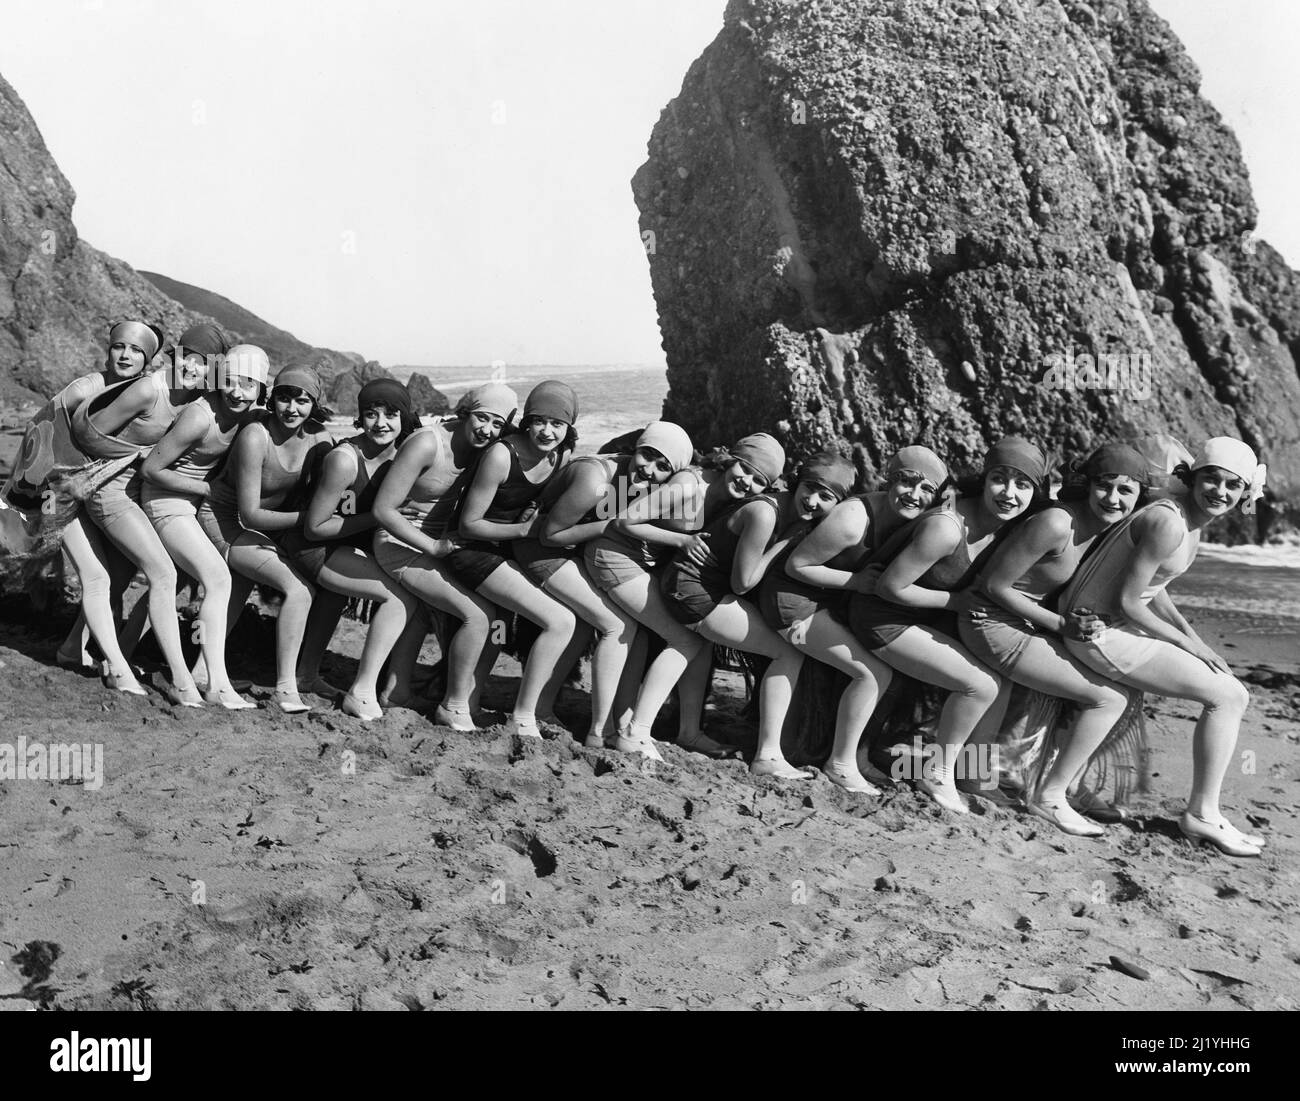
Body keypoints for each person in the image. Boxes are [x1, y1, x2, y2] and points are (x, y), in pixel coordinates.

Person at [1060, 437, 1268, 857]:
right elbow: (1129, 601)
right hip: (1096, 632)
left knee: (1228, 691)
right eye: (1211, 479)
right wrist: (1185, 645)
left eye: (1232, 486)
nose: (1220, 492)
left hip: (1117, 626)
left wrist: (1195, 639)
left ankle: (1203, 812)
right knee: (1230, 696)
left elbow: (1156, 588)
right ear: (1193, 478)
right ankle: (1203, 815)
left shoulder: (1186, 520)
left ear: (1244, 493)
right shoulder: (1169, 521)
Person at [848, 437, 1048, 814]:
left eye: (1022, 484)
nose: (1009, 493)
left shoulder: (1010, 528)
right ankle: (938, 773)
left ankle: (974, 777)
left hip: (925, 621)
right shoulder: (947, 527)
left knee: (1000, 678)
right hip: (883, 618)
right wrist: (955, 602)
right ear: (984, 479)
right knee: (979, 686)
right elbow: (890, 587)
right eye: (1000, 479)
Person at [961, 443, 1150, 836]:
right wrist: (1062, 625)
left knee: (1125, 687)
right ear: (1087, 484)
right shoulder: (1057, 523)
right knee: (1106, 698)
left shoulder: (1107, 529)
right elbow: (994, 586)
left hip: (1029, 625)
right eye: (1104, 487)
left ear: (1138, 496)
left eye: (1125, 491)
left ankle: (1065, 783)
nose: (1113, 499)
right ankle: (1050, 796)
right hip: (991, 622)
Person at [765, 446, 948, 793]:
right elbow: (796, 566)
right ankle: (841, 764)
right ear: (887, 480)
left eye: (926, 490)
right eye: (906, 481)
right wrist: (856, 582)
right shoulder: (853, 520)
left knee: (885, 663)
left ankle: (858, 755)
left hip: (825, 602)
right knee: (873, 672)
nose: (914, 494)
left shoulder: (910, 520)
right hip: (792, 603)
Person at [1, 321, 162, 690]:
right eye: (119, 346)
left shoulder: (135, 392)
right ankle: (119, 669)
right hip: (54, 490)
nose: (126, 355)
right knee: (97, 577)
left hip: (85, 492)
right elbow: (39, 428)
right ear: (108, 350)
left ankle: (74, 648)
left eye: (136, 350)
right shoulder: (87, 387)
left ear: (148, 359)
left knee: (115, 576)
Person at [517, 424, 690, 747]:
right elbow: (549, 536)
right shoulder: (597, 478)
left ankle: (544, 708)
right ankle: (590, 729)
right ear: (635, 448)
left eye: (663, 467)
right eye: (647, 456)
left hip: (573, 552)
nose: (649, 469)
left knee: (596, 625)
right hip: (540, 550)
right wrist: (613, 525)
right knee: (615, 625)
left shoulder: (637, 481)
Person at [73, 323, 216, 704]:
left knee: (120, 575)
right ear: (174, 355)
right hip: (109, 491)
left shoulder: (198, 399)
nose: (191, 367)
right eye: (186, 357)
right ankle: (177, 680)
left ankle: (74, 648)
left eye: (203, 363)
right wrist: (136, 457)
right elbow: (88, 436)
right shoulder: (148, 389)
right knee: (162, 572)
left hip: (137, 493)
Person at [371, 383, 517, 730]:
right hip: (399, 540)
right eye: (482, 418)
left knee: (498, 620)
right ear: (466, 411)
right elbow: (383, 509)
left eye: (498, 424)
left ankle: (397, 691)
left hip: (442, 545)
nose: (487, 429)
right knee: (479, 616)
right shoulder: (428, 443)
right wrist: (433, 547)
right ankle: (454, 705)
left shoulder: (488, 450)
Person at [279, 378, 427, 720]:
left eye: (391, 414)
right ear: (360, 417)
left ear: (405, 417)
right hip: (315, 546)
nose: (381, 423)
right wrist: (375, 518)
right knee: (399, 598)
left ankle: (307, 674)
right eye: (371, 414)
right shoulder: (344, 459)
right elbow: (315, 528)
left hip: (349, 544)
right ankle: (361, 692)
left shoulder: (402, 456)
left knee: (334, 601)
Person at [441, 381, 581, 739]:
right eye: (539, 421)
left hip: (506, 554)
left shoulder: (560, 456)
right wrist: (525, 531)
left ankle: (465, 703)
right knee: (560, 621)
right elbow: (469, 525)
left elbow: (545, 501)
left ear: (569, 427)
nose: (547, 431)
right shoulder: (502, 455)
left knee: (500, 627)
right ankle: (521, 716)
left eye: (557, 424)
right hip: (472, 551)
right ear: (526, 421)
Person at [196, 362, 334, 714]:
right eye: (285, 398)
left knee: (239, 589)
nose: (292, 408)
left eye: (302, 401)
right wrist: (310, 520)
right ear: (273, 399)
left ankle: (200, 671)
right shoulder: (256, 435)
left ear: (314, 404)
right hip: (225, 521)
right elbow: (250, 513)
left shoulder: (320, 439)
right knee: (299, 590)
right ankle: (287, 688)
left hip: (267, 527)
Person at [140, 341, 266, 710]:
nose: (238, 391)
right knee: (219, 579)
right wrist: (205, 487)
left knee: (218, 578)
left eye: (248, 384)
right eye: (230, 380)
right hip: (166, 503)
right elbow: (152, 470)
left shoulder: (246, 416)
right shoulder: (200, 416)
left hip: (194, 509)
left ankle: (203, 676)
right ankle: (213, 683)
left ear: (260, 390)